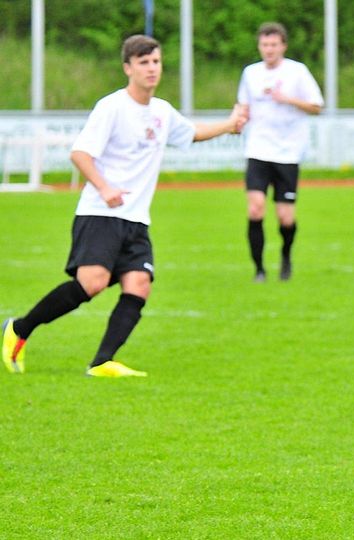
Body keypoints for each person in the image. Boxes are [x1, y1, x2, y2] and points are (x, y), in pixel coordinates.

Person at [1, 35, 246, 377]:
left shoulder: (161, 111)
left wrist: (231, 124)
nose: (151, 69)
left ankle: (102, 362)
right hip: (100, 213)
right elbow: (80, 154)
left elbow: (191, 133)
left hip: (136, 219)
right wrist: (105, 187)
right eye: (143, 62)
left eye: (156, 62)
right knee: (92, 283)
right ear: (128, 68)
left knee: (139, 284)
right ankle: (18, 329)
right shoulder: (112, 107)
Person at [237, 22, 323, 282]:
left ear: (283, 46)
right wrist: (238, 120)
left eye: (274, 44)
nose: (269, 49)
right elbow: (243, 105)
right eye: (264, 44)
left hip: (288, 153)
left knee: (285, 217)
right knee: (256, 209)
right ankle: (259, 269)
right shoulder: (250, 73)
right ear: (259, 46)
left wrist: (288, 99)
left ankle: (286, 257)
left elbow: (316, 106)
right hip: (258, 150)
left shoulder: (297, 72)